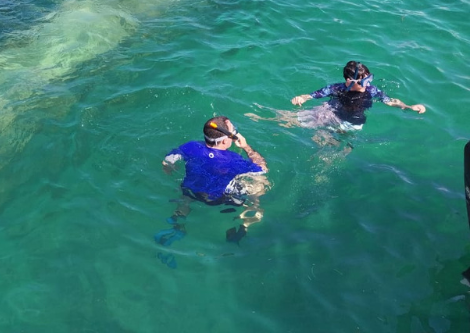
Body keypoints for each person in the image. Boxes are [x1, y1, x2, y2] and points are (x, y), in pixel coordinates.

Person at [159, 116, 269, 244]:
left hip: (192, 192)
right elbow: (262, 169)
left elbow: (167, 161)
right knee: (259, 184)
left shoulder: (191, 146)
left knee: (187, 194)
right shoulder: (234, 160)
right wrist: (246, 147)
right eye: (233, 133)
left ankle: (177, 223)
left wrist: (169, 169)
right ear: (224, 141)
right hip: (221, 198)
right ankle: (245, 223)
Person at [291, 61, 426, 131]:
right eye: (364, 81)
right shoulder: (336, 88)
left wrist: (408, 106)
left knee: (333, 147)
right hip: (329, 113)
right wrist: (301, 98)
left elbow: (390, 101)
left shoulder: (372, 90)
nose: (368, 84)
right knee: (289, 120)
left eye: (369, 79)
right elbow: (312, 95)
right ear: (349, 81)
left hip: (352, 122)